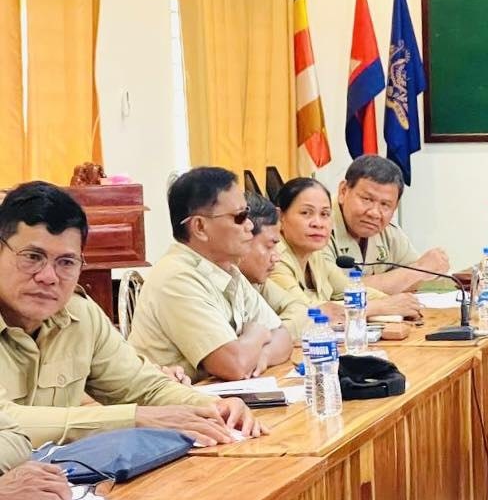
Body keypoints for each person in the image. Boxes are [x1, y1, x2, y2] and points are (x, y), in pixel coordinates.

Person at [0, 181, 259, 447]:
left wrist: (213, 407)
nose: (48, 277)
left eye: (66, 262)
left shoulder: (80, 316)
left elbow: (144, 387)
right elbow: (4, 422)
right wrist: (133, 419)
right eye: (32, 257)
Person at [130, 167, 292, 383]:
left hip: (213, 397)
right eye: (240, 216)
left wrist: (260, 356)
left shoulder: (227, 269)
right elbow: (234, 366)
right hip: (173, 401)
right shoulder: (176, 278)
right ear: (200, 227)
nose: (250, 225)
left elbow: (283, 336)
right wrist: (258, 333)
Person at [270, 178, 420, 320]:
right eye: (306, 213)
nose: (318, 223)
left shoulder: (315, 256)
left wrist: (396, 302)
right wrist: (380, 307)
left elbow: (351, 291)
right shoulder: (273, 258)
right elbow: (306, 313)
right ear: (280, 217)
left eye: (325, 214)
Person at [323, 155, 449, 295]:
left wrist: (428, 269)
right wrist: (419, 270)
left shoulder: (387, 229)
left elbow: (419, 278)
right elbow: (336, 289)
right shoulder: (318, 225)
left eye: (385, 204)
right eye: (367, 199)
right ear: (343, 191)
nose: (374, 213)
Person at [238, 193, 312, 340]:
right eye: (268, 246)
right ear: (241, 239)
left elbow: (301, 310)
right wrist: (276, 339)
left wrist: (272, 338)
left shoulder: (255, 281)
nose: (276, 257)